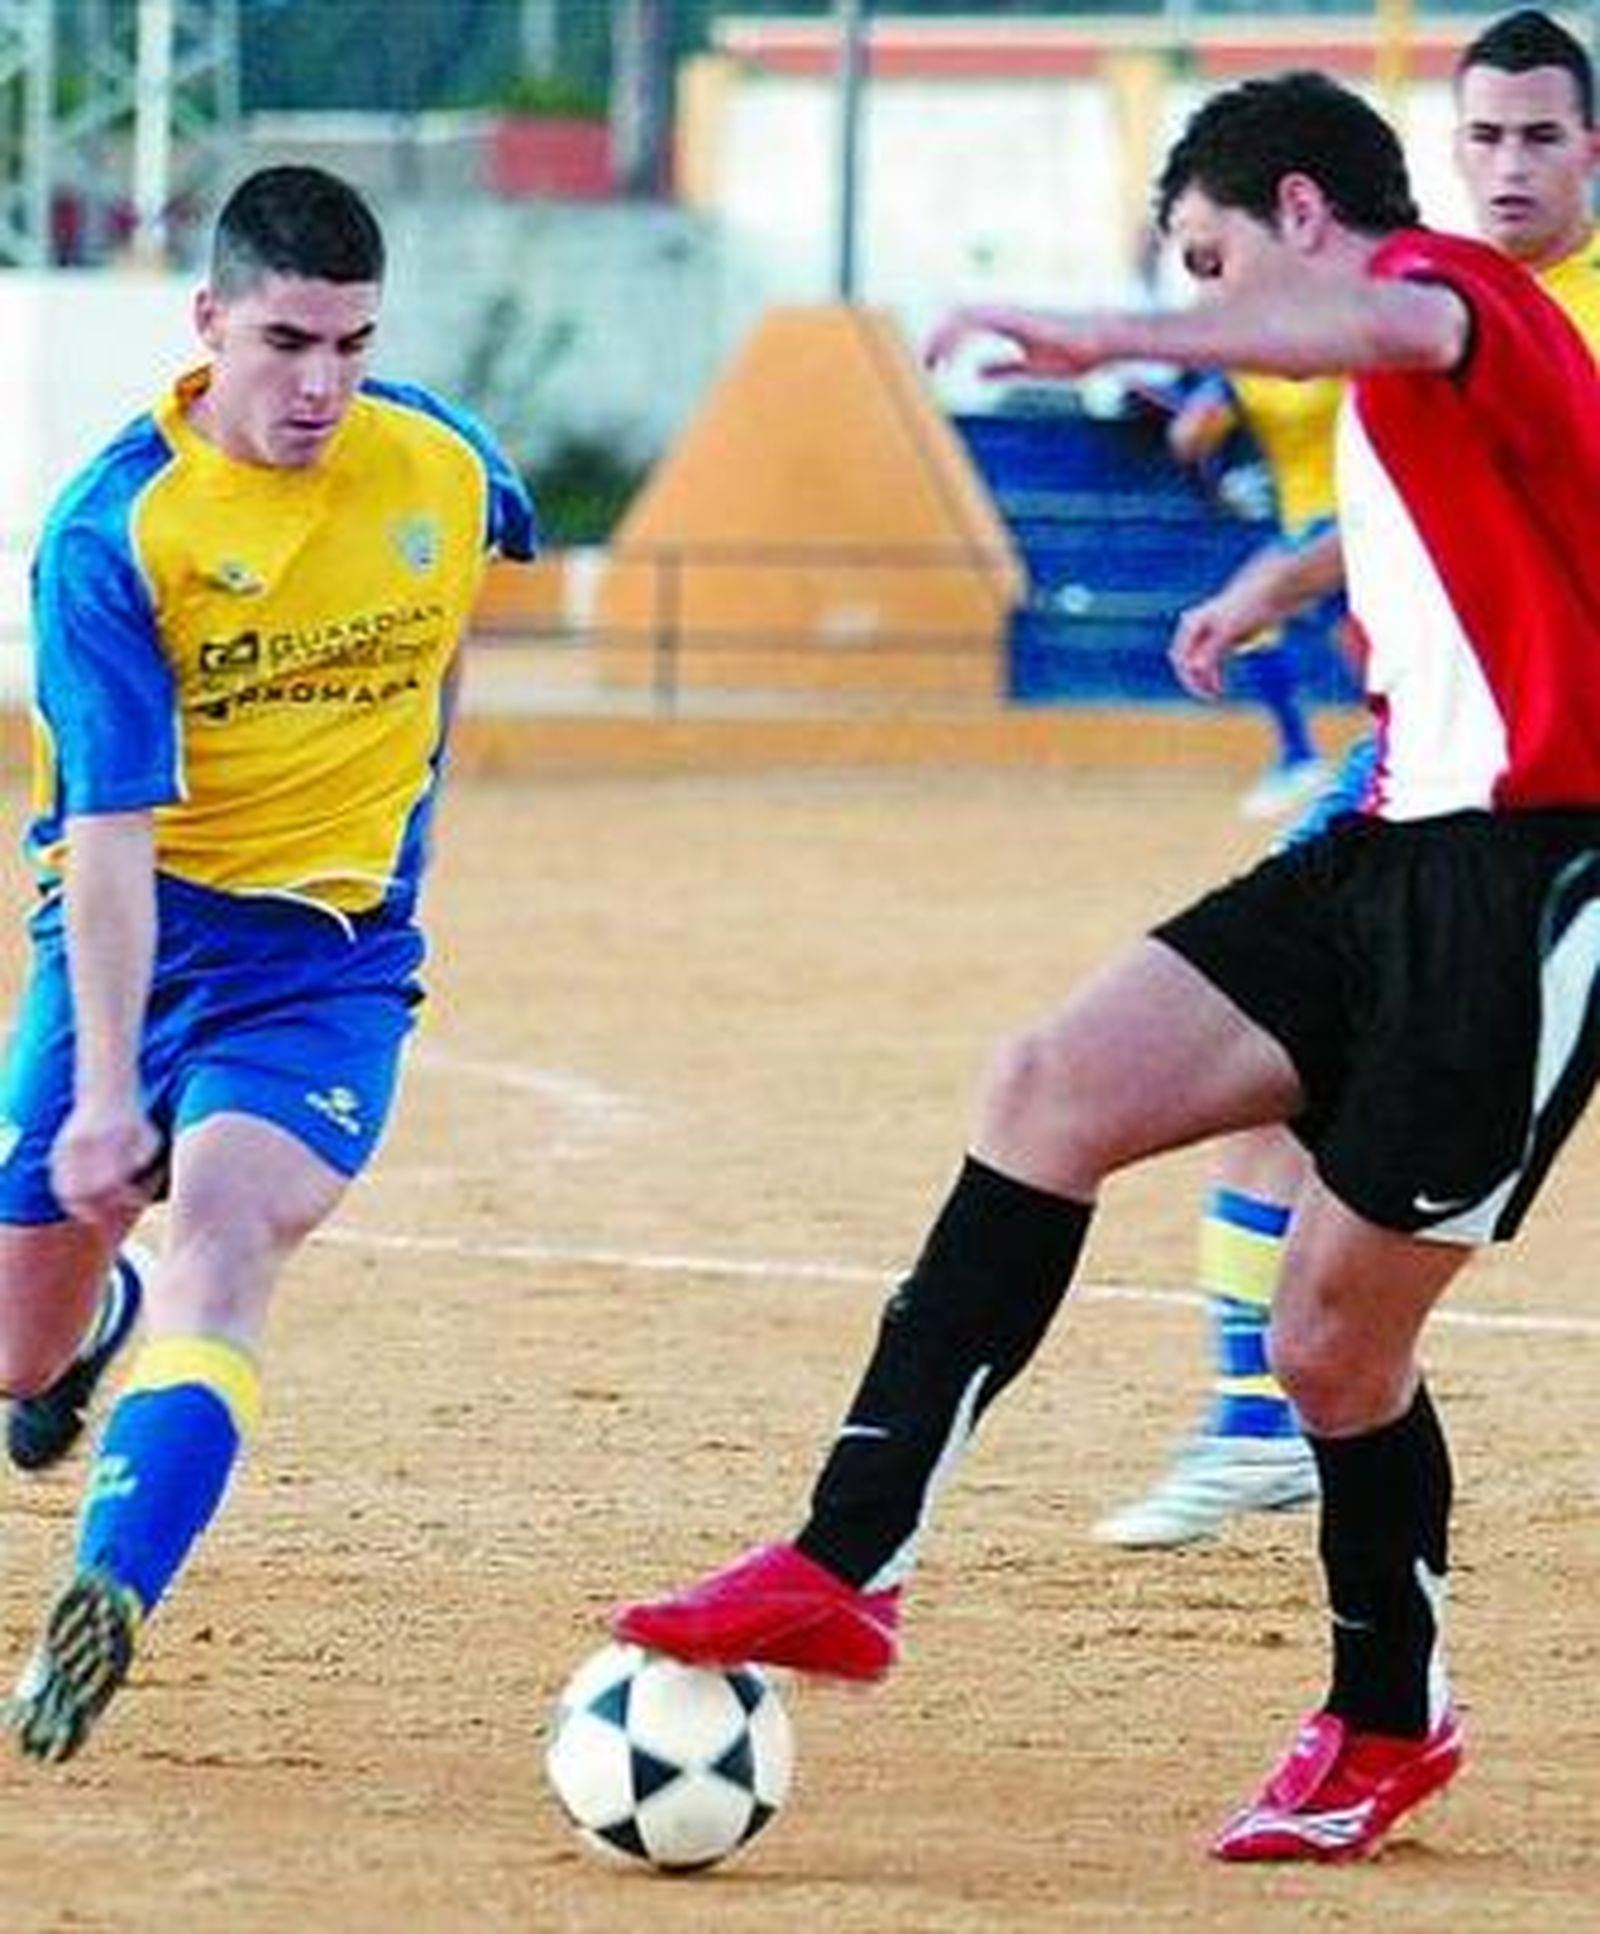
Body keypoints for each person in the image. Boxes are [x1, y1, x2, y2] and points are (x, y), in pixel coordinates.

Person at [613, 69, 1600, 1863]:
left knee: (1330, 1345)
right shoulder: (1410, 370)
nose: (1216, 308)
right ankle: (851, 1558)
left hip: (1528, 888)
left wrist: (1099, 324)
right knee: (1046, 1081)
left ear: (1302, 215)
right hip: (1382, 852)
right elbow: (1400, 459)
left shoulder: (1461, 292)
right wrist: (1282, 589)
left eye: (1220, 262)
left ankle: (1392, 1713)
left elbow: (1368, 318)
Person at [0, 164, 536, 1763]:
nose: (321, 386)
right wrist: (105, 1095)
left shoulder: (447, 462)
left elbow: (447, 637)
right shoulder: (115, 535)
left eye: (355, 347)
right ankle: (82, 1343)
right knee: (19, 1343)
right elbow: (104, 839)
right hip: (136, 933)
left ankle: (104, 1596)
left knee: (227, 1237)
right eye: (289, 341)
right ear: (209, 322)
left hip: (329, 959)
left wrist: (402, 820)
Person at [1095, 6, 1600, 1549]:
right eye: (1484, 137)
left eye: (1541, 137)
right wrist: (1281, 581)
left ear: (1594, 150)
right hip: (1439, 768)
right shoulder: (1425, 288)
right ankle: (1260, 1419)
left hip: (1553, 781)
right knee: (1282, 1068)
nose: (1507, 166)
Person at [1166, 369, 1347, 820]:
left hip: (1319, 523)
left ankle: (1302, 756)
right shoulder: (1347, 350)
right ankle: (1306, 757)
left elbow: (1188, 436)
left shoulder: (1243, 367)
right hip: (1341, 516)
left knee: (1248, 617)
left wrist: (1215, 487)